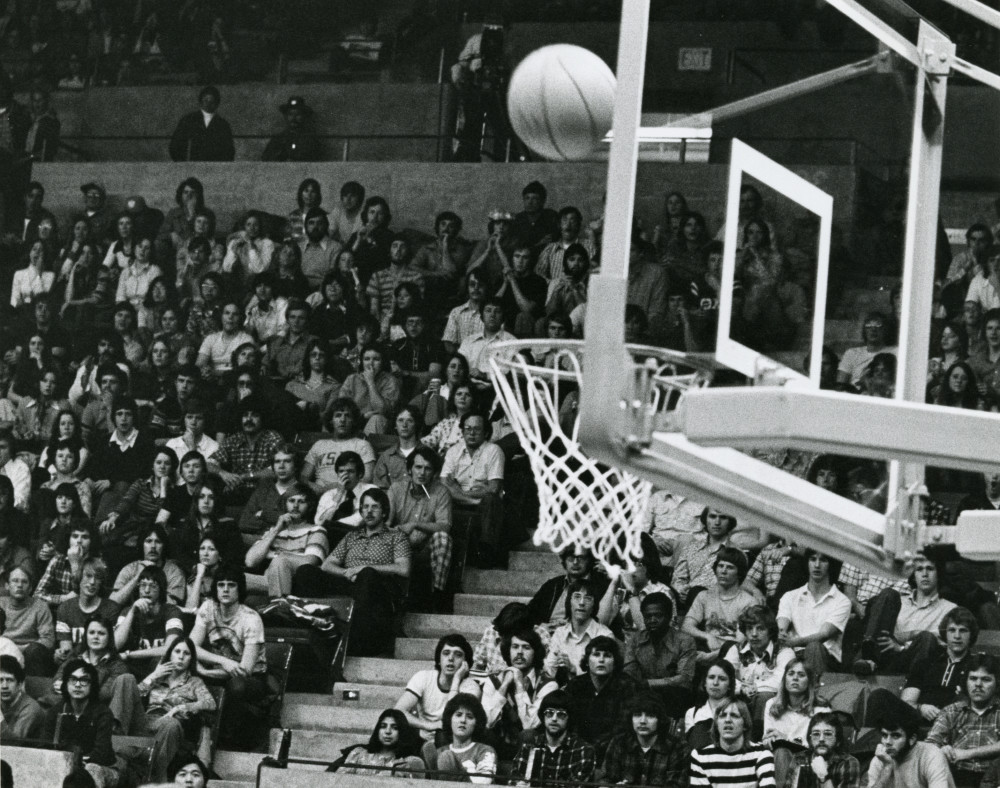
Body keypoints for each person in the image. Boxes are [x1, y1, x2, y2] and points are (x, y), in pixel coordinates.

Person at [292, 487, 410, 656]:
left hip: (377, 587)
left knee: (367, 575)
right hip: (348, 581)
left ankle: (353, 642)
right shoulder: (351, 536)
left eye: (374, 507)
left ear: (384, 512)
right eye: (365, 507)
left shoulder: (396, 537)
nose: (369, 512)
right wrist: (345, 572)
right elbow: (327, 565)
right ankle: (312, 632)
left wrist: (365, 569)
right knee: (305, 571)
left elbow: (403, 569)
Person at [188, 565, 269, 744]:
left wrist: (207, 672)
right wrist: (221, 662)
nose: (225, 589)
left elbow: (244, 670)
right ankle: (194, 732)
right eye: (221, 585)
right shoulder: (208, 607)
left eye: (231, 585)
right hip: (219, 668)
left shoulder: (251, 619)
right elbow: (190, 646)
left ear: (239, 589)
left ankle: (227, 737)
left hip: (253, 677)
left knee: (237, 685)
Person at [136, 635, 217, 780]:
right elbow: (133, 696)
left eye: (186, 654)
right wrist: (153, 676)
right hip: (147, 722)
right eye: (177, 651)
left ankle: (158, 781)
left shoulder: (194, 682)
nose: (181, 657)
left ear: (191, 659)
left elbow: (210, 703)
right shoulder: (158, 676)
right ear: (170, 654)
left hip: (174, 727)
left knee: (171, 724)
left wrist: (182, 707)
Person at [52, 615, 143, 736]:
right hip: (71, 709)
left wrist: (70, 687)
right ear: (86, 636)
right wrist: (62, 684)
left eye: (101, 633)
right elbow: (57, 679)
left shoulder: (118, 665)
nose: (95, 637)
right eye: (91, 632)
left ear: (109, 637)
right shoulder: (75, 658)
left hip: (98, 714)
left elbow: (103, 694)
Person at [387, 445, 454, 605]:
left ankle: (437, 595)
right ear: (410, 469)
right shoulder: (396, 489)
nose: (422, 473)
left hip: (426, 547)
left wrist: (416, 524)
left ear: (434, 473)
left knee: (442, 538)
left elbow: (445, 526)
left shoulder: (441, 492)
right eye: (418, 467)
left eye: (428, 469)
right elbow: (386, 523)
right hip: (400, 544)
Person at [440, 413, 505, 567]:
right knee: (440, 498)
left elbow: (493, 488)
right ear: (462, 431)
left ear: (486, 432)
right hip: (459, 503)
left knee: (490, 499)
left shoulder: (494, 451)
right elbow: (444, 486)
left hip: (485, 505)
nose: (471, 432)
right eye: (467, 428)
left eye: (477, 429)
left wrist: (459, 491)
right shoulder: (453, 452)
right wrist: (472, 495)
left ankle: (485, 554)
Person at [924, 653, 1000, 786]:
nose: (978, 684)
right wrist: (942, 749)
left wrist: (966, 753)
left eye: (986, 679)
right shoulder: (951, 711)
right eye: (973, 678)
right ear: (966, 681)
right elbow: (930, 744)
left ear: (997, 683)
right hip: (955, 778)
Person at [721, 605, 795, 738]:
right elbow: (723, 677)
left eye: (760, 628)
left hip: (772, 707)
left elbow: (781, 681)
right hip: (740, 701)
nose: (754, 634)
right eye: (749, 628)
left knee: (764, 697)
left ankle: (757, 742)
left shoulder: (784, 652)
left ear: (770, 631)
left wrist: (754, 688)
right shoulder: (736, 650)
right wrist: (742, 689)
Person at [43, 659, 119, 788]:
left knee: (91, 770)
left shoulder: (103, 713)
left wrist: (76, 762)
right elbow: (45, 744)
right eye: (73, 679)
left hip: (102, 768)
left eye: (84, 680)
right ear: (66, 683)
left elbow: (101, 753)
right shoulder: (55, 712)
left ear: (92, 684)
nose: (78, 685)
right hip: (65, 764)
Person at [777, 548, 851, 676]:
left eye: (823, 560)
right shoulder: (790, 596)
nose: (817, 565)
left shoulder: (842, 601)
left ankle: (813, 693)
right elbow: (782, 621)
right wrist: (782, 632)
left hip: (825, 658)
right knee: (785, 653)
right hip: (794, 655)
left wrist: (795, 642)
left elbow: (824, 634)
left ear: (831, 565)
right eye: (813, 559)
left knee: (814, 647)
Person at [245, 482, 327, 598]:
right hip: (268, 580)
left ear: (310, 505)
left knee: (280, 561)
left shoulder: (316, 530)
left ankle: (281, 610)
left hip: (295, 583)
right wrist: (276, 530)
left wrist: (280, 558)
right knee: (229, 579)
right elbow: (250, 561)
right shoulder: (275, 532)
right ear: (285, 504)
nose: (295, 506)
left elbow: (311, 561)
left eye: (301, 501)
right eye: (291, 501)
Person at [564, 636, 641, 758]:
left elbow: (623, 727)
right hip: (577, 750)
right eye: (596, 655)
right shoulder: (575, 685)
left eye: (607, 655)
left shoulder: (627, 686)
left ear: (615, 663)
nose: (601, 660)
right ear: (587, 661)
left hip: (613, 751)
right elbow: (569, 722)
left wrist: (593, 749)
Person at [623, 592, 697, 719]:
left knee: (679, 693)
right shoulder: (635, 640)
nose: (652, 620)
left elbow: (684, 679)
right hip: (642, 696)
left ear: (669, 616)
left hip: (674, 698)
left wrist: (649, 683)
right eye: (648, 616)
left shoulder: (685, 640)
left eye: (658, 615)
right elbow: (629, 672)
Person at [481, 628, 558, 750]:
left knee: (528, 735)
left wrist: (519, 685)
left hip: (531, 747)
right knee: (485, 733)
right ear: (508, 650)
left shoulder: (548, 684)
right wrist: (504, 685)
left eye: (526, 647)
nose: (520, 652)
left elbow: (529, 725)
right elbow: (487, 721)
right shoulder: (494, 680)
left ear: (535, 652)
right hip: (499, 744)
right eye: (515, 647)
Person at [395, 633, 481, 742]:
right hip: (423, 736)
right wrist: (430, 726)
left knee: (443, 735)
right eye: (446, 653)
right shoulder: (424, 677)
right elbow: (398, 711)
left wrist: (456, 680)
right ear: (439, 660)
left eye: (458, 655)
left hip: (452, 739)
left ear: (466, 663)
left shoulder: (471, 687)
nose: (451, 658)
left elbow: (450, 719)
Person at [682, 546, 759, 662]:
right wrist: (707, 636)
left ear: (739, 573)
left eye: (730, 568)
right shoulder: (704, 596)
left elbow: (740, 642)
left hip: (733, 655)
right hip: (706, 648)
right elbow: (686, 626)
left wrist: (711, 656)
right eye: (720, 566)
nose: (723, 571)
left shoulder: (749, 602)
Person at [762, 659, 832, 783]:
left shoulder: (821, 710)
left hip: (808, 763)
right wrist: (769, 740)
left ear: (809, 681)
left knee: (782, 752)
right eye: (791, 674)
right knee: (779, 752)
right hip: (774, 760)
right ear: (784, 679)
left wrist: (786, 739)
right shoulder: (771, 705)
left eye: (801, 675)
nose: (795, 678)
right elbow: (767, 739)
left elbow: (820, 747)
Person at [508, 689, 596, 786]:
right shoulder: (529, 747)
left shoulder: (583, 750)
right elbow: (513, 781)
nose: (554, 718)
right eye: (549, 713)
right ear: (543, 716)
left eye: (561, 714)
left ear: (569, 718)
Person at [601, 695, 690, 787]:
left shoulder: (677, 747)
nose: (643, 721)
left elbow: (676, 785)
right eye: (637, 715)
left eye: (650, 716)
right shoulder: (619, 743)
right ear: (630, 718)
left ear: (660, 719)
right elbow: (605, 780)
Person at [868, 697, 955, 788]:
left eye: (896, 736)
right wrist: (886, 768)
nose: (887, 742)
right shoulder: (880, 760)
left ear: (912, 739)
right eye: (884, 735)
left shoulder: (931, 755)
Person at [690, 698, 776, 787]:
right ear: (716, 724)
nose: (727, 720)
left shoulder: (761, 754)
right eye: (722, 715)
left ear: (745, 724)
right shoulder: (700, 756)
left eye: (734, 715)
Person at [114, 565, 185, 670]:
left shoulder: (172, 611)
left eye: (153, 586)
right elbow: (115, 644)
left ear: (161, 589)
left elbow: (171, 648)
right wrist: (132, 612)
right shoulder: (128, 611)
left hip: (160, 670)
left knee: (159, 660)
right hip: (133, 670)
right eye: (143, 585)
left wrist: (130, 654)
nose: (147, 590)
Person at [542, 580, 613, 681]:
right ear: (569, 601)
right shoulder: (560, 633)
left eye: (588, 598)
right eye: (577, 597)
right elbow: (548, 673)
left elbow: (605, 678)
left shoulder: (604, 635)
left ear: (594, 605)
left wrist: (574, 670)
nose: (581, 603)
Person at [671, 507, 741, 603]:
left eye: (723, 517)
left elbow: (733, 587)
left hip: (716, 602)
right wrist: (681, 590)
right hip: (687, 598)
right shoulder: (691, 548)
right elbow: (678, 579)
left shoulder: (736, 552)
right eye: (712, 517)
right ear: (705, 519)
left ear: (730, 521)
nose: (717, 522)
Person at [303, 397, 376, 489]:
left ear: (353, 421)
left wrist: (341, 487)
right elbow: (304, 477)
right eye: (338, 415)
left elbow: (367, 478)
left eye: (347, 415)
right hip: (319, 494)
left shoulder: (362, 445)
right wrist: (315, 487)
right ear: (331, 421)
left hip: (348, 493)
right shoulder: (319, 445)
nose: (342, 420)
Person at [421, 693, 496, 783]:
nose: (463, 720)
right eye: (458, 715)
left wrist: (461, 772)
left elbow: (485, 782)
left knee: (446, 758)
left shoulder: (484, 750)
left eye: (469, 717)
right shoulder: (438, 752)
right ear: (450, 719)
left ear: (476, 723)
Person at [54, 559, 119, 661]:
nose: (92, 582)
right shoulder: (65, 608)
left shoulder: (111, 609)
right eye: (88, 576)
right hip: (75, 663)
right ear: (79, 578)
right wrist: (62, 654)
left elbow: (110, 648)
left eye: (97, 578)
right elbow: (66, 647)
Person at [111, 524, 186, 606]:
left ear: (164, 546)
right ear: (142, 544)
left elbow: (172, 605)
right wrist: (137, 577)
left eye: (158, 542)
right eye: (148, 541)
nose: (153, 546)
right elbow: (112, 603)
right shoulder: (130, 569)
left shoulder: (174, 571)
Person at [0, 566, 55, 676]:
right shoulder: (0, 604)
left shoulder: (40, 606)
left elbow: (48, 640)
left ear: (30, 588)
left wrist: (19, 649)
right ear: (7, 585)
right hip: (2, 651)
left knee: (35, 651)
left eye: (24, 582)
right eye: (15, 581)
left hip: (29, 655)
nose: (19, 585)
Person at [339, 708, 425, 776]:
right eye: (383, 726)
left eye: (395, 727)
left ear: (402, 732)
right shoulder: (359, 753)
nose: (388, 731)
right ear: (378, 730)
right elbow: (339, 781)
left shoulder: (405, 763)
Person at [785, 711, 861, 788]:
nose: (821, 739)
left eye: (828, 734)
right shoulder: (800, 758)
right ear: (810, 739)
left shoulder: (848, 763)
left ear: (838, 740)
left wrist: (823, 777)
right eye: (816, 734)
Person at [168, 85, 235, 162]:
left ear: (217, 103)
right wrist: (183, 165)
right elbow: (175, 145)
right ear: (201, 101)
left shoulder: (223, 125)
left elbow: (229, 151)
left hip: (215, 169)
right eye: (206, 100)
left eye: (212, 101)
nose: (208, 104)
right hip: (192, 168)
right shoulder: (188, 120)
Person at [684, 658, 738, 750]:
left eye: (722, 679)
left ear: (730, 685)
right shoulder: (692, 713)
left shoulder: (738, 710)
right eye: (711, 677)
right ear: (705, 682)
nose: (715, 683)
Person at [261, 95, 321, 162]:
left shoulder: (311, 139)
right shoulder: (278, 139)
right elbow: (266, 159)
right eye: (290, 114)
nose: (293, 118)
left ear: (304, 117)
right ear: (286, 117)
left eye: (298, 114)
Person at [0, 653, 45, 739]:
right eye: (0, 680)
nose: (4, 686)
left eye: (9, 680)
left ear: (20, 684)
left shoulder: (30, 708)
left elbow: (14, 745)